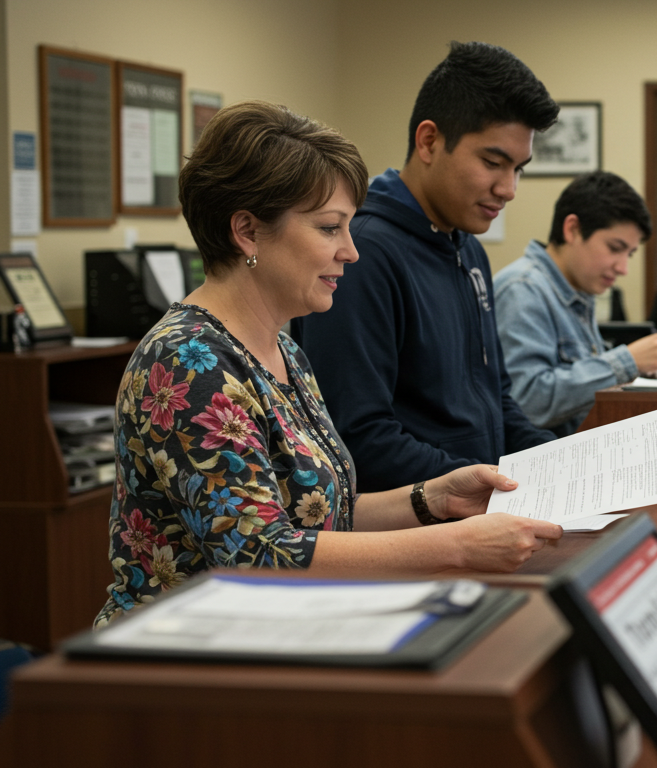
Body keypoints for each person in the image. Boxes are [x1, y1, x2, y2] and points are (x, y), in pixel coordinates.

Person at [98, 102, 562, 624]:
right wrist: (457, 545)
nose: (350, 251)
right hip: (181, 646)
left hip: (278, 627)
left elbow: (320, 514)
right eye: (328, 228)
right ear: (247, 231)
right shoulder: (188, 361)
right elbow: (260, 554)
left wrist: (434, 498)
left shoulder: (284, 351)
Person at [290, 41, 559, 492]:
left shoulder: (468, 248)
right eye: (493, 163)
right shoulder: (361, 253)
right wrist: (486, 485)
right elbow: (357, 437)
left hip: (478, 508)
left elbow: (496, 401)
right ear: (429, 141)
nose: (509, 188)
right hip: (414, 519)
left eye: (519, 169)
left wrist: (557, 459)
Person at [494, 172, 657, 437]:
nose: (623, 268)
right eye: (614, 248)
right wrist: (628, 361)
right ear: (572, 229)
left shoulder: (577, 289)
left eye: (629, 254)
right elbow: (527, 403)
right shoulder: (523, 289)